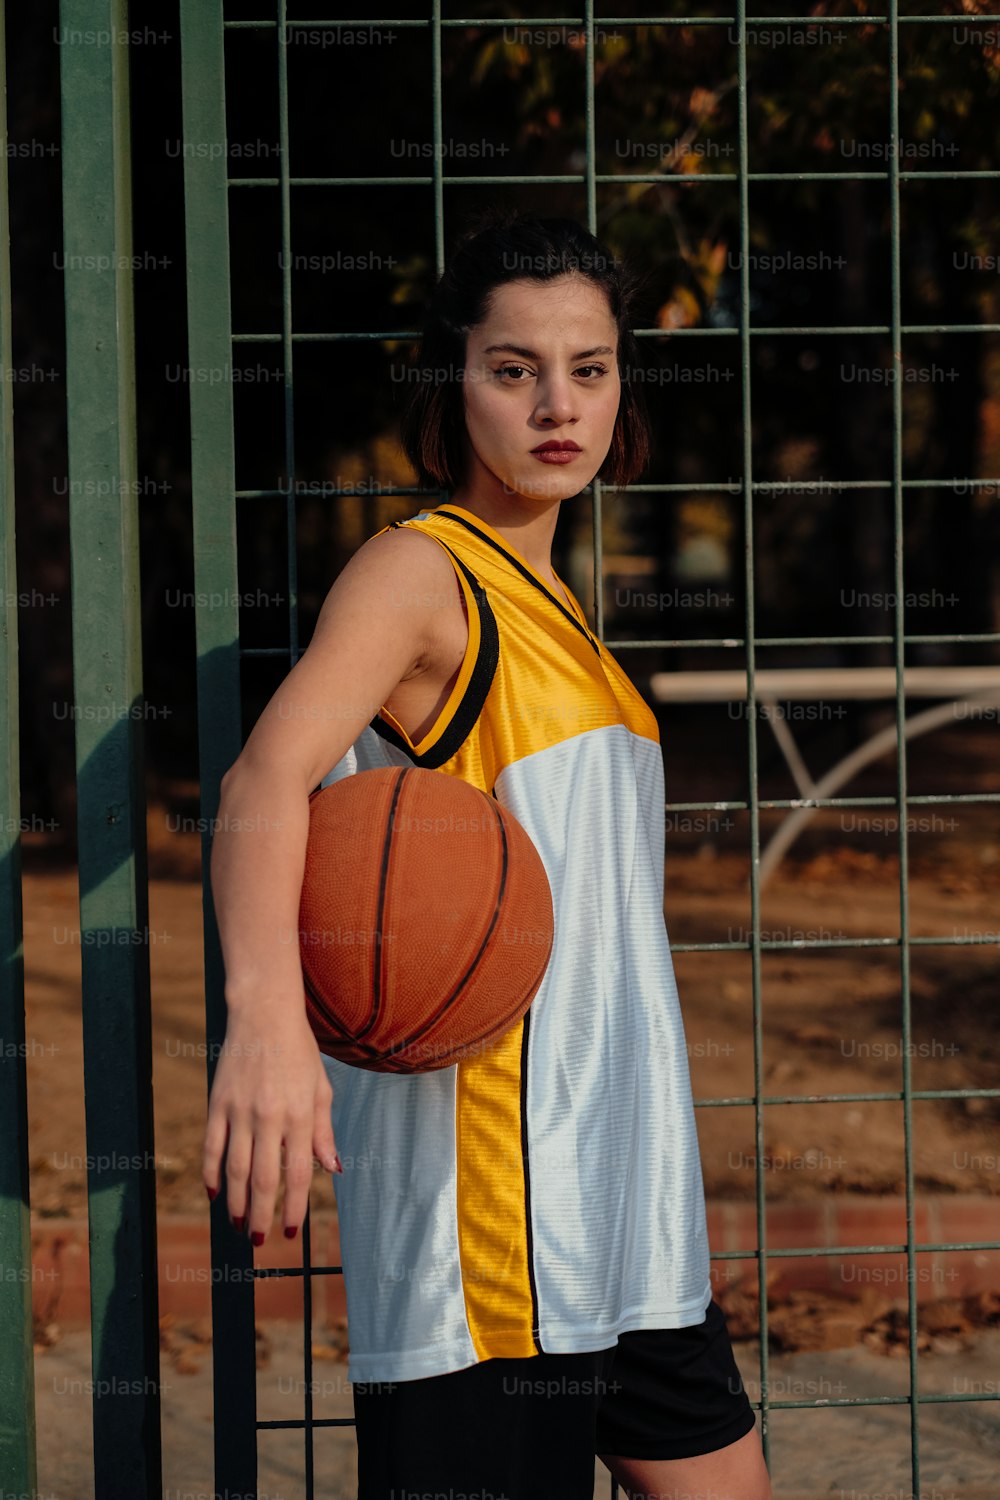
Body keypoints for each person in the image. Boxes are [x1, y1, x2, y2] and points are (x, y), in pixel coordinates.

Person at [203, 210, 772, 1500]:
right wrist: (265, 1025)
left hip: (625, 1199)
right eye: (512, 370)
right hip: (490, 1225)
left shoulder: (563, 600)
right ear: (450, 385)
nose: (555, 405)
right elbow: (261, 782)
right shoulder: (419, 572)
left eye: (589, 369)